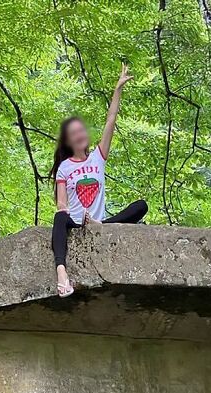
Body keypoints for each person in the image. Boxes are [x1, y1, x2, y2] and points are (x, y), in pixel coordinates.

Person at [49, 63, 148, 297]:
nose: (80, 135)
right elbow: (61, 204)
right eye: (73, 134)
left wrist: (118, 89)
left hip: (98, 221)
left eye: (81, 131)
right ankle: (62, 273)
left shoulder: (97, 157)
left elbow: (111, 120)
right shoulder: (64, 168)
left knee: (141, 206)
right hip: (74, 221)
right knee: (59, 217)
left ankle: (102, 225)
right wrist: (73, 215)